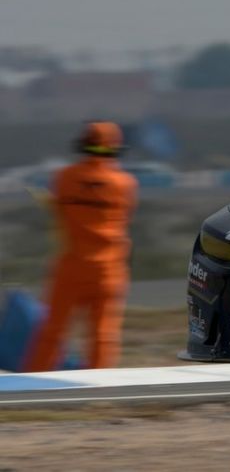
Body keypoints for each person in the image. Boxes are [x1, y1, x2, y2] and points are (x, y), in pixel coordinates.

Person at [23, 122, 138, 372]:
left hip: (72, 266)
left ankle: (32, 384)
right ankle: (96, 389)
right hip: (109, 268)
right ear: (115, 148)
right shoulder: (125, 183)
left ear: (83, 144)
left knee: (52, 331)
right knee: (102, 333)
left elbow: (63, 208)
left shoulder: (64, 178)